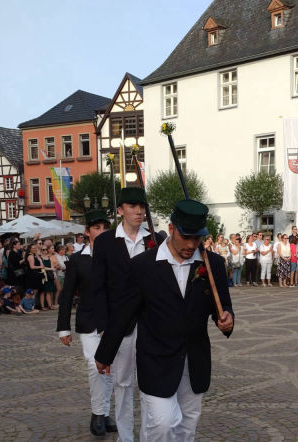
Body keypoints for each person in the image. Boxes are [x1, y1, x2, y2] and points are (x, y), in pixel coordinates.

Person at [95, 199, 234, 441]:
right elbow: (123, 312)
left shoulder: (213, 265)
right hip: (155, 361)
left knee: (187, 426)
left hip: (195, 361)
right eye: (186, 237)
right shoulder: (142, 266)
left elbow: (222, 305)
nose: (191, 245)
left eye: (197, 238)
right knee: (162, 423)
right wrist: (105, 354)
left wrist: (227, 319)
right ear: (171, 229)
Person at [90, 187, 163, 442]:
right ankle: (125, 437)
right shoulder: (105, 242)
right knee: (122, 384)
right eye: (133, 206)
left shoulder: (156, 240)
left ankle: (148, 437)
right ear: (120, 210)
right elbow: (98, 288)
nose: (139, 211)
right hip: (120, 325)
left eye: (142, 206)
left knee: (150, 384)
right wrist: (104, 328)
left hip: (150, 324)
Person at [57, 210, 117, 436]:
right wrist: (63, 328)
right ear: (87, 232)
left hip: (113, 321)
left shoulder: (117, 255)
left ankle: (105, 412)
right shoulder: (77, 259)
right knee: (95, 366)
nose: (101, 232)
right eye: (96, 228)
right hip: (89, 320)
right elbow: (67, 294)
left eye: (105, 228)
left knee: (111, 369)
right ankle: (98, 413)